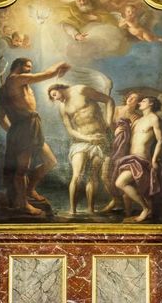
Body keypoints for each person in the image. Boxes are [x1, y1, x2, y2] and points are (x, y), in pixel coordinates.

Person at [0, 58, 70, 216]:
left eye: (31, 67)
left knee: (50, 161)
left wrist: (14, 131)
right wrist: (61, 63)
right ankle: (23, 204)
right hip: (25, 126)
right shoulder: (15, 80)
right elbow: (47, 74)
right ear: (18, 66)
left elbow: (0, 117)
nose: (30, 69)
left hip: (29, 127)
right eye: (27, 66)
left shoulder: (11, 86)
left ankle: (29, 190)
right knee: (22, 169)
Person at [47, 83, 114, 215]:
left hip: (100, 140)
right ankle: (72, 210)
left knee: (93, 175)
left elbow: (109, 100)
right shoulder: (62, 107)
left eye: (54, 95)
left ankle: (91, 209)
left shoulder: (81, 90)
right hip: (81, 141)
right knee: (77, 175)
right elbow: (70, 130)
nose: (55, 98)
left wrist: (109, 123)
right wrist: (87, 138)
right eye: (52, 98)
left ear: (59, 88)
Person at [113, 96, 162, 222]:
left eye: (143, 101)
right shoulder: (137, 120)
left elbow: (160, 141)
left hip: (141, 160)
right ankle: (134, 212)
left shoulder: (154, 119)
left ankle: (146, 209)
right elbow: (125, 136)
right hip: (130, 158)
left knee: (120, 182)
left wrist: (154, 160)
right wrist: (118, 131)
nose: (140, 103)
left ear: (151, 103)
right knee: (128, 186)